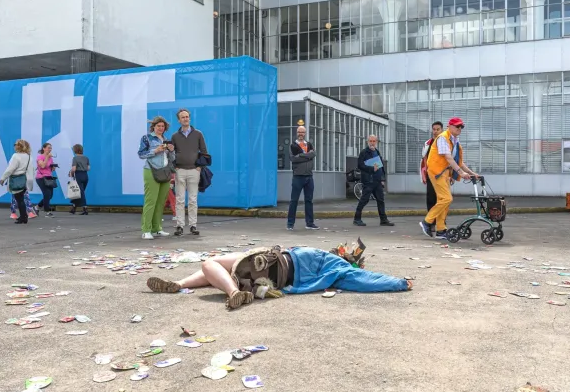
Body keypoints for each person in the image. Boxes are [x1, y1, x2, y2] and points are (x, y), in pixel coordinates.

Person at [145, 240, 412, 310]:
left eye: (346, 251)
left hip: (272, 265)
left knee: (209, 263)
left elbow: (365, 280)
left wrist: (398, 283)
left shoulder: (338, 268)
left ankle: (233, 292)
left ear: (347, 258)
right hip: (272, 269)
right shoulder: (331, 262)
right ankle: (178, 284)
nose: (342, 249)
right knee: (214, 268)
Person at [420, 117, 477, 240]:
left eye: (461, 127)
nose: (459, 129)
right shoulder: (443, 138)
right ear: (449, 127)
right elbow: (448, 158)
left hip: (445, 173)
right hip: (437, 172)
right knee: (447, 198)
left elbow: (459, 161)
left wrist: (472, 173)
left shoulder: (455, 141)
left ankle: (441, 230)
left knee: (444, 201)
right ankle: (427, 221)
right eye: (457, 126)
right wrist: (460, 173)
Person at [170, 108, 208, 237]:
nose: (185, 119)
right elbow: (171, 153)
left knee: (193, 199)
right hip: (180, 170)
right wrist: (175, 167)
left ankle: (193, 225)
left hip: (194, 170)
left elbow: (204, 151)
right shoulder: (175, 136)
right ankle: (179, 226)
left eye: (187, 117)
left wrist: (200, 167)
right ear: (179, 120)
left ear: (189, 118)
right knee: (179, 199)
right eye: (183, 117)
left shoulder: (198, 134)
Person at [138, 116, 174, 240]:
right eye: (158, 126)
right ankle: (146, 230)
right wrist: (155, 150)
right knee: (150, 201)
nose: (161, 128)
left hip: (165, 171)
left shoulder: (166, 139)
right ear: (153, 126)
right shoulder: (147, 138)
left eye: (163, 126)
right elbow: (141, 154)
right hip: (151, 170)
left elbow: (171, 158)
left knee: (160, 202)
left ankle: (157, 228)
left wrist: (172, 150)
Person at [353, 135, 393, 227]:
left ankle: (383, 220)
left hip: (377, 181)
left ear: (376, 142)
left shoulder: (377, 152)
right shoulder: (364, 152)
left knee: (380, 200)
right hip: (368, 181)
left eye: (374, 141)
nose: (372, 143)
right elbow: (360, 165)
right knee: (364, 200)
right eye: (370, 141)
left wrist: (382, 179)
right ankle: (357, 218)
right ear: (368, 142)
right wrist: (371, 169)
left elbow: (381, 166)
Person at [287, 125, 319, 231]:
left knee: (309, 201)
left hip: (309, 177)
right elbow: (293, 158)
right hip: (298, 177)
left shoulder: (309, 144)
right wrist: (307, 156)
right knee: (294, 200)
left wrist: (301, 155)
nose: (301, 134)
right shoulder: (293, 145)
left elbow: (314, 153)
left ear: (305, 133)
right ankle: (290, 224)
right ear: (297, 133)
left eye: (303, 132)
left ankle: (309, 223)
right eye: (299, 132)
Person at [0, 140, 35, 224]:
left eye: (15, 145)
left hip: (16, 179)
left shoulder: (16, 156)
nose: (14, 146)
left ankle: (23, 217)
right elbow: (31, 170)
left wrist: (3, 178)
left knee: (19, 199)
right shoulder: (29, 157)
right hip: (25, 180)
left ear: (19, 146)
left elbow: (10, 169)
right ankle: (24, 216)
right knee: (21, 198)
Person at [420, 122, 444, 229]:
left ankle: (441, 223)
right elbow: (424, 159)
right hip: (431, 174)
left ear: (442, 130)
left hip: (442, 175)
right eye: (434, 129)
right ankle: (431, 223)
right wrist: (424, 174)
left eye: (438, 129)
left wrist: (451, 175)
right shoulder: (428, 143)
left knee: (442, 199)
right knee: (430, 199)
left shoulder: (445, 143)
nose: (435, 131)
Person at [35, 143, 57, 217]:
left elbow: (49, 168)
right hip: (41, 177)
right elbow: (43, 165)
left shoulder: (51, 158)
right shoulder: (40, 157)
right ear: (44, 148)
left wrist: (53, 167)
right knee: (47, 193)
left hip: (49, 177)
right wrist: (47, 157)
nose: (50, 149)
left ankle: (37, 207)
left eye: (50, 148)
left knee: (50, 195)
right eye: (48, 148)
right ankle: (47, 211)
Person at [68, 144, 90, 215]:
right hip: (85, 175)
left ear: (75, 150)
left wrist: (71, 173)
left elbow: (74, 169)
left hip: (78, 175)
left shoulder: (75, 158)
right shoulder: (86, 158)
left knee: (80, 192)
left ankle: (85, 208)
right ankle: (73, 208)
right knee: (79, 192)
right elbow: (88, 168)